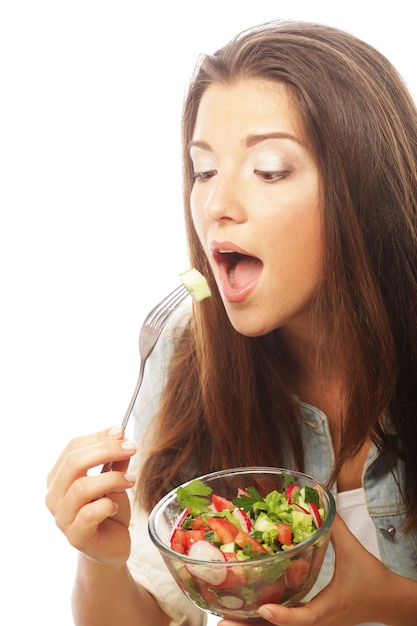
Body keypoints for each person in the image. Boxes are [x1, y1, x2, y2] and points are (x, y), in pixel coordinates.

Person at [46, 19, 417, 626]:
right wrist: (101, 559)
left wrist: (391, 603)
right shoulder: (183, 355)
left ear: (364, 189)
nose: (217, 205)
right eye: (204, 170)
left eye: (269, 170)